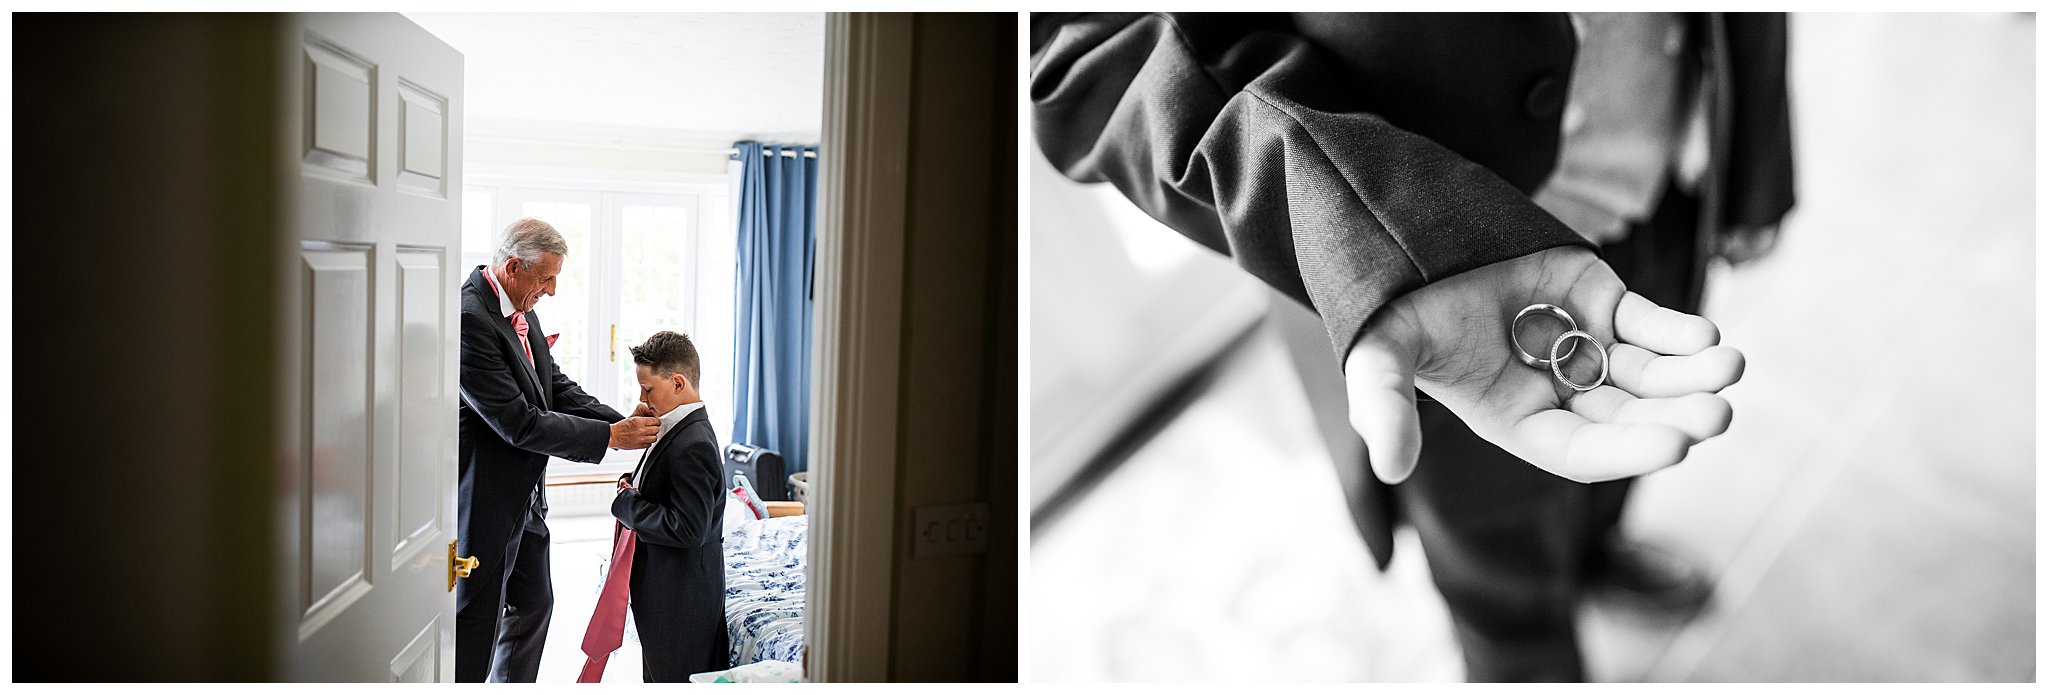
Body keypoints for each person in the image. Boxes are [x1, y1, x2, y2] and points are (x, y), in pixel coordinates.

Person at [1031, 13, 1792, 681]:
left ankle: (1594, 549)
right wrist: (1374, 237)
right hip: (1444, 303)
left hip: (1664, 186)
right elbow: (1094, 47)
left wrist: (1759, 156)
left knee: (1621, 451)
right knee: (1494, 561)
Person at [457, 217, 663, 682]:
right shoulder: (470, 318)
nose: (551, 290)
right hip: (489, 499)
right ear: (514, 267)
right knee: (477, 621)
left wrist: (619, 421)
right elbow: (518, 422)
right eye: (545, 278)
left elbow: (554, 386)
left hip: (527, 497)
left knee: (533, 606)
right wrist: (611, 439)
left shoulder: (519, 304)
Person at [611, 330, 732, 681]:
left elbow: (688, 528)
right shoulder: (673, 425)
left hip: (681, 603)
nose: (642, 397)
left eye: (648, 388)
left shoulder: (693, 443)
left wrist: (626, 503)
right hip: (667, 594)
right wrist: (632, 484)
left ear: (678, 383)